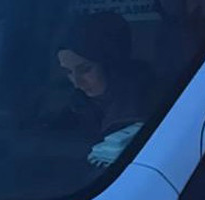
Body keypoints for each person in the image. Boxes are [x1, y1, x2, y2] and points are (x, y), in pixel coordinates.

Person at [55, 11, 155, 164]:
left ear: (111, 64)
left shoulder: (158, 107)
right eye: (68, 72)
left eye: (85, 69)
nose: (77, 82)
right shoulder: (75, 108)